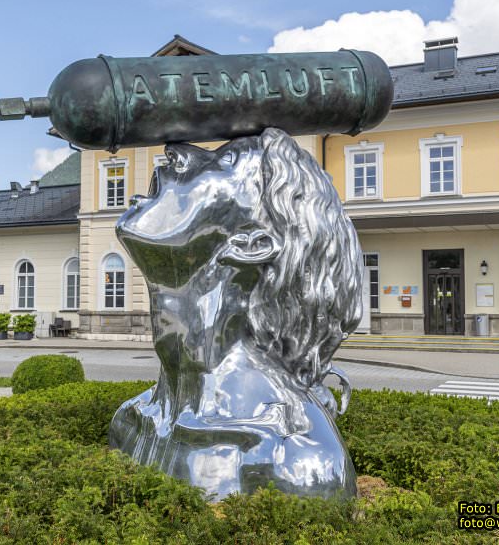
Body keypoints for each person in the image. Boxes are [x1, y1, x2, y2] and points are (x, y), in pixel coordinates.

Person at [109, 128, 360, 499]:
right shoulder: (132, 420)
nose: (177, 152)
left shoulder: (297, 458)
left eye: (225, 162)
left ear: (251, 243)